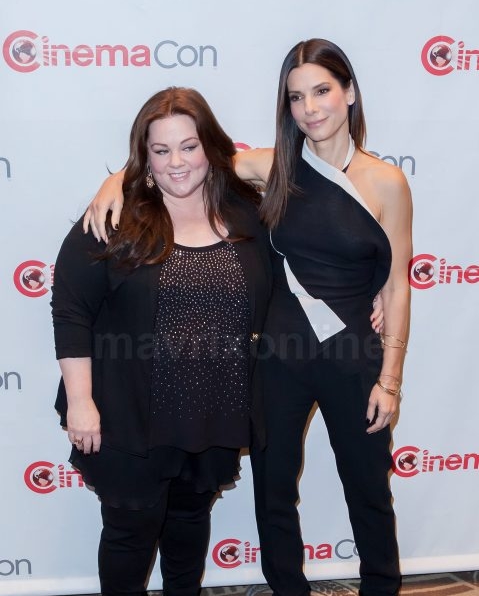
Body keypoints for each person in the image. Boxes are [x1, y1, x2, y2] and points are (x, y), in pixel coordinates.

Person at [84, 38, 412, 596]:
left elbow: (398, 283)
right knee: (274, 492)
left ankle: (382, 587)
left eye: (322, 91)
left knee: (368, 490)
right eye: (295, 96)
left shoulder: (388, 182)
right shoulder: (273, 166)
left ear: (349, 93)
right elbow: (182, 161)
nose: (311, 108)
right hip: (275, 360)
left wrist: (391, 379)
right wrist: (115, 180)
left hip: (356, 358)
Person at [51, 86, 272, 596]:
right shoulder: (114, 219)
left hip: (211, 410)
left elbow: (301, 164)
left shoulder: (247, 215)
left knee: (190, 522)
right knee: (130, 532)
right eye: (161, 149)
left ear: (211, 148)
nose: (177, 162)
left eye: (189, 146)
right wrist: (81, 403)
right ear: (144, 155)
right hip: (128, 414)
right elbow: (71, 312)